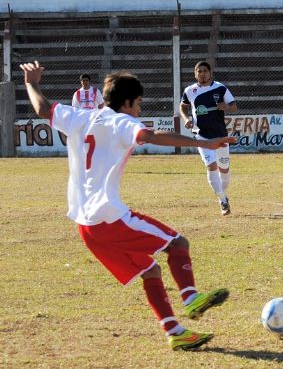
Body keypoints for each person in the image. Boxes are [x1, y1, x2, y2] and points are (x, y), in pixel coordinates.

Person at [20, 61, 235, 351]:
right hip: (110, 217)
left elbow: (43, 109)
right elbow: (150, 136)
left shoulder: (81, 117)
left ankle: (175, 332)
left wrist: (31, 83)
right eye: (139, 104)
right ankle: (191, 298)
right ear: (128, 102)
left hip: (86, 226)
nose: (139, 110)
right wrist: (205, 144)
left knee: (150, 271)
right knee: (177, 244)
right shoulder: (122, 122)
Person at [180, 61, 237, 216]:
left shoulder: (220, 88)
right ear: (195, 74)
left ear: (210, 73)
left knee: (224, 170)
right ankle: (222, 200)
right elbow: (183, 106)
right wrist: (186, 118)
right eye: (199, 71)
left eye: (205, 71)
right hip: (202, 136)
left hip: (220, 136)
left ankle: (222, 194)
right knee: (211, 166)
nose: (202, 74)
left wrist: (226, 107)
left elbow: (234, 105)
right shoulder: (189, 90)